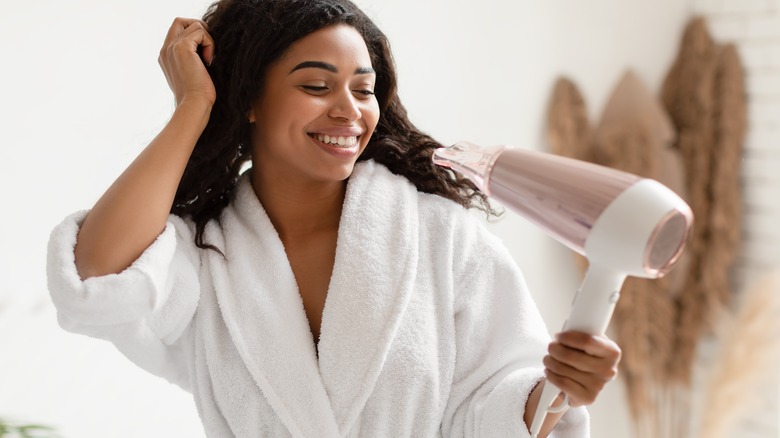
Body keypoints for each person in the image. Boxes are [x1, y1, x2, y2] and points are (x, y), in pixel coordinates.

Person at [47, 0, 621, 436]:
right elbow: (97, 280)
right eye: (317, 86)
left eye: (364, 90)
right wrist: (195, 105)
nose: (348, 110)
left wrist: (560, 390)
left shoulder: (437, 236)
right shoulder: (203, 253)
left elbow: (494, 405)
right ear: (248, 98)